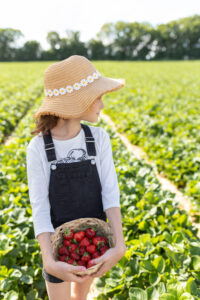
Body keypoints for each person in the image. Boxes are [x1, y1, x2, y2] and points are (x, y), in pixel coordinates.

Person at [26, 55, 126, 300]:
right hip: (57, 246)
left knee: (80, 296)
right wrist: (49, 260)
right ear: (76, 101)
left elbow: (110, 195)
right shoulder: (39, 147)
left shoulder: (99, 138)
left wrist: (119, 245)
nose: (102, 105)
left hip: (92, 239)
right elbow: (39, 207)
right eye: (98, 97)